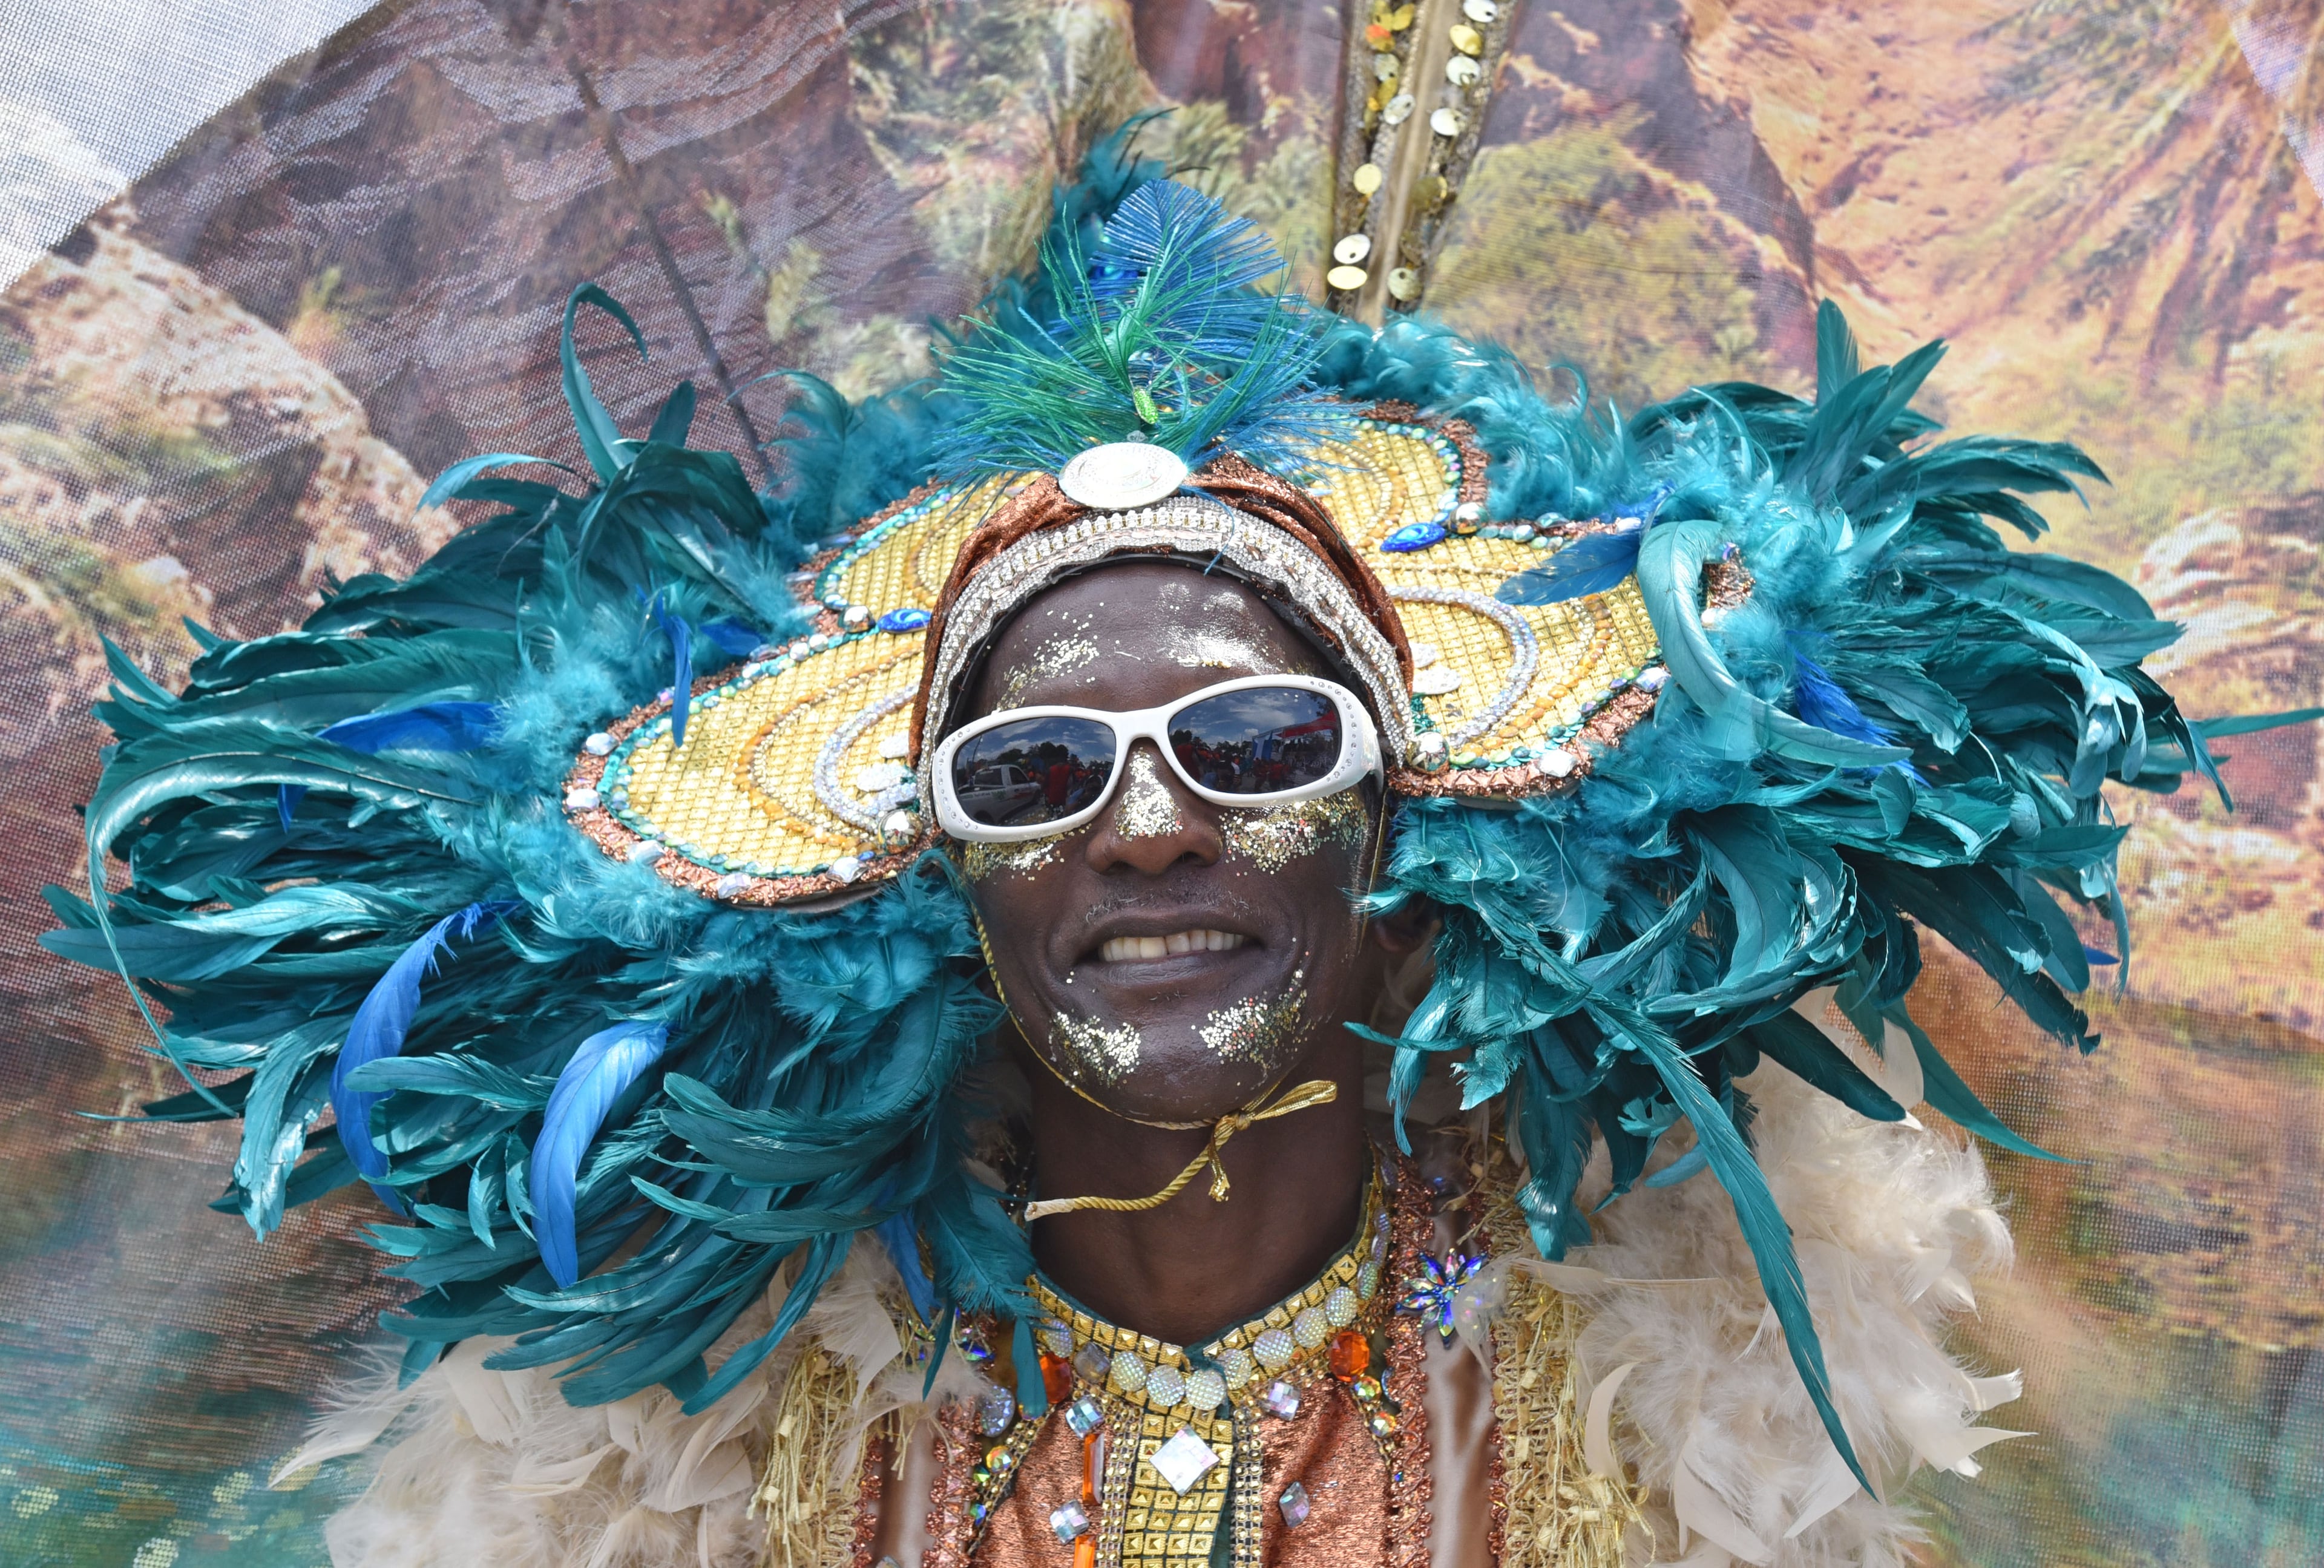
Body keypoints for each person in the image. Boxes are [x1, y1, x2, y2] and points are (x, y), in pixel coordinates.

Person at [48, 156, 2223, 1568]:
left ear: (1389, 825)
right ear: (943, 883)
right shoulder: (692, 1443)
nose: (1150, 819)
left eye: (1257, 739)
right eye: (1032, 772)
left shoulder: (1683, 1348)